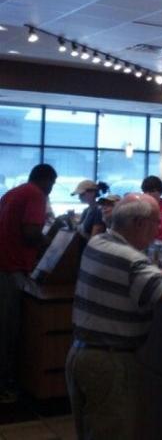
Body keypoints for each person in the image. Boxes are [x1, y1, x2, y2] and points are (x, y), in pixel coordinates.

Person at [65, 193, 162, 439]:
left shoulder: (97, 243)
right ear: (139, 223)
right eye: (156, 222)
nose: (158, 229)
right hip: (108, 362)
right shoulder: (130, 259)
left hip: (79, 353)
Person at [0, 164, 57, 404]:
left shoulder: (13, 193)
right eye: (52, 184)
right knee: (8, 330)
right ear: (47, 180)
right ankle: (5, 386)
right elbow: (31, 233)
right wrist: (51, 247)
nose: (51, 190)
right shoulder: (36, 194)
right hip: (11, 268)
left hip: (3, 263)